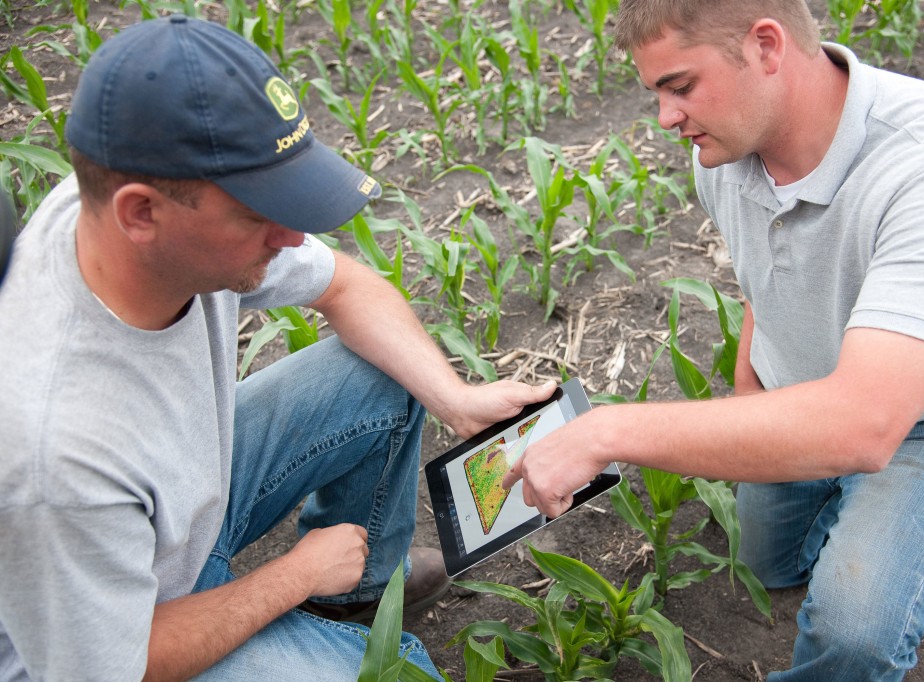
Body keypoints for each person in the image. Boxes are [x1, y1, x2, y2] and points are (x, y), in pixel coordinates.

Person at [0, 15, 555, 682]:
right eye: (260, 213)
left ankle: (356, 595)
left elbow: (350, 287)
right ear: (140, 213)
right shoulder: (53, 453)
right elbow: (117, 667)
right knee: (399, 675)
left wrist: (457, 401)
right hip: (111, 629)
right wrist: (292, 577)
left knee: (382, 375)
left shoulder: (129, 204)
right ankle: (321, 612)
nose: (294, 237)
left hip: (179, 505)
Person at [503, 1, 924, 679]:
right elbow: (767, 277)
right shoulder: (725, 150)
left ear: (767, 47)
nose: (666, 119)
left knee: (853, 627)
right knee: (763, 564)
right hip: (795, 392)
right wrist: (751, 387)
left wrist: (603, 433)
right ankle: (855, 512)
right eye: (655, 92)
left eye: (680, 86)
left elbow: (863, 425)